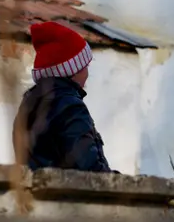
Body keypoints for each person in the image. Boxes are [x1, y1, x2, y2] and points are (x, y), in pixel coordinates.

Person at [12, 21, 113, 173]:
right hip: (68, 195)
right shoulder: (70, 106)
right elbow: (90, 170)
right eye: (85, 66)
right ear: (73, 70)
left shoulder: (28, 105)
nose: (87, 73)